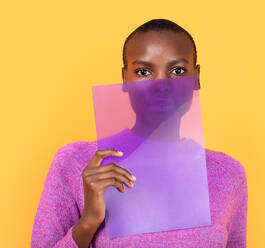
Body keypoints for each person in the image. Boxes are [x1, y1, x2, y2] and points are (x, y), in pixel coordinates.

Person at [31, 18, 248, 248]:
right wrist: (88, 222)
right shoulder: (76, 162)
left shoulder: (228, 174)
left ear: (196, 78)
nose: (160, 85)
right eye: (143, 71)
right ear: (125, 79)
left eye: (177, 70)